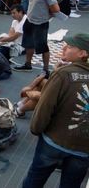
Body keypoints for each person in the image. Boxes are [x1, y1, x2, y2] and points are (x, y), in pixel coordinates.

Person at [22, 33, 89, 188]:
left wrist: (36, 129)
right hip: (83, 149)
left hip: (54, 142)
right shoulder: (63, 72)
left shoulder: (63, 75)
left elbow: (45, 107)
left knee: (35, 180)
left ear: (83, 53)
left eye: (70, 46)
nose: (64, 48)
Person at [14, 0, 60, 77]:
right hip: (29, 20)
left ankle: (45, 70)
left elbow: (56, 8)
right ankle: (28, 64)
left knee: (43, 47)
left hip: (40, 23)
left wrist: (48, 15)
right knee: (28, 43)